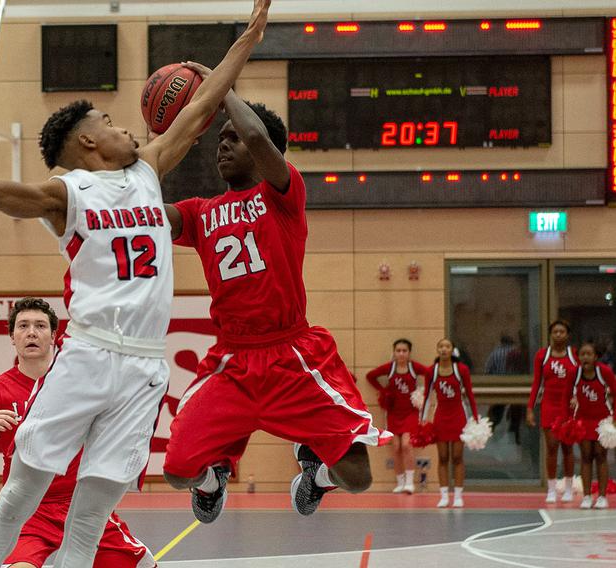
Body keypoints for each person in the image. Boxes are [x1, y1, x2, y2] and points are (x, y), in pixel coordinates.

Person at [0, 2, 270, 565]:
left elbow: (206, 102)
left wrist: (249, 39)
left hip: (143, 366)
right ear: (89, 144)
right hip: (88, 354)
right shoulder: (66, 195)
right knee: (22, 491)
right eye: (109, 124)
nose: (124, 128)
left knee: (90, 515)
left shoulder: (148, 169)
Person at [162, 83, 391, 524]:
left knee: (358, 476)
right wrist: (158, 149)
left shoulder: (283, 194)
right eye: (219, 140)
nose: (222, 147)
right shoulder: (199, 212)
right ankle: (214, 479)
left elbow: (258, 137)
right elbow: (148, 211)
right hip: (232, 359)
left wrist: (219, 87)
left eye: (232, 138)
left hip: (293, 355)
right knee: (176, 472)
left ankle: (315, 474)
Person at [0, 297, 156, 567]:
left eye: (40, 326)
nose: (31, 332)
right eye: (23, 326)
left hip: (79, 505)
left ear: (53, 336)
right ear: (12, 337)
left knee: (145, 565)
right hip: (29, 509)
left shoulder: (79, 386)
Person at [366, 339, 429, 494]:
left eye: (404, 351)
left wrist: (422, 393)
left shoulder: (414, 367)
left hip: (411, 412)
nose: (401, 353)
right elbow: (370, 376)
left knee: (407, 445)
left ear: (409, 353)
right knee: (396, 447)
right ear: (394, 352)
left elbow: (431, 375)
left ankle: (409, 482)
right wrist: (384, 390)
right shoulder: (390, 367)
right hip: (394, 413)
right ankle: (400, 482)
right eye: (398, 350)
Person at [420, 338, 478, 508]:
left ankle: (458, 495)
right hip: (441, 417)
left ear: (452, 350)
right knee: (443, 457)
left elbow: (470, 394)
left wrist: (475, 418)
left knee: (457, 457)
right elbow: (427, 397)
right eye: (441, 346)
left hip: (458, 415)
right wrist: (422, 420)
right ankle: (444, 495)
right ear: (437, 350)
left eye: (447, 346)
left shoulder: (461, 369)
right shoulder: (432, 371)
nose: (444, 349)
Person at [527, 320, 579, 504]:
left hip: (568, 407)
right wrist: (530, 409)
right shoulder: (542, 355)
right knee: (551, 446)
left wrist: (577, 397)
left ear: (567, 335)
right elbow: (536, 383)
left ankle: (568, 487)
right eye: (555, 332)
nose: (558, 335)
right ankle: (551, 489)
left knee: (567, 448)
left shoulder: (574, 355)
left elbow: (581, 381)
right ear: (551, 334)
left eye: (562, 332)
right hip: (549, 405)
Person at [570, 341, 615, 510]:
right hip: (583, 419)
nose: (585, 357)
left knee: (601, 455)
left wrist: (614, 419)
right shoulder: (575, 373)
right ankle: (587, 496)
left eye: (589, 354)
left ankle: (602, 497)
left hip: (602, 420)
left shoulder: (604, 372)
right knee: (586, 456)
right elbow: (566, 396)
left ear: (595, 357)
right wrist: (567, 419)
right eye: (582, 354)